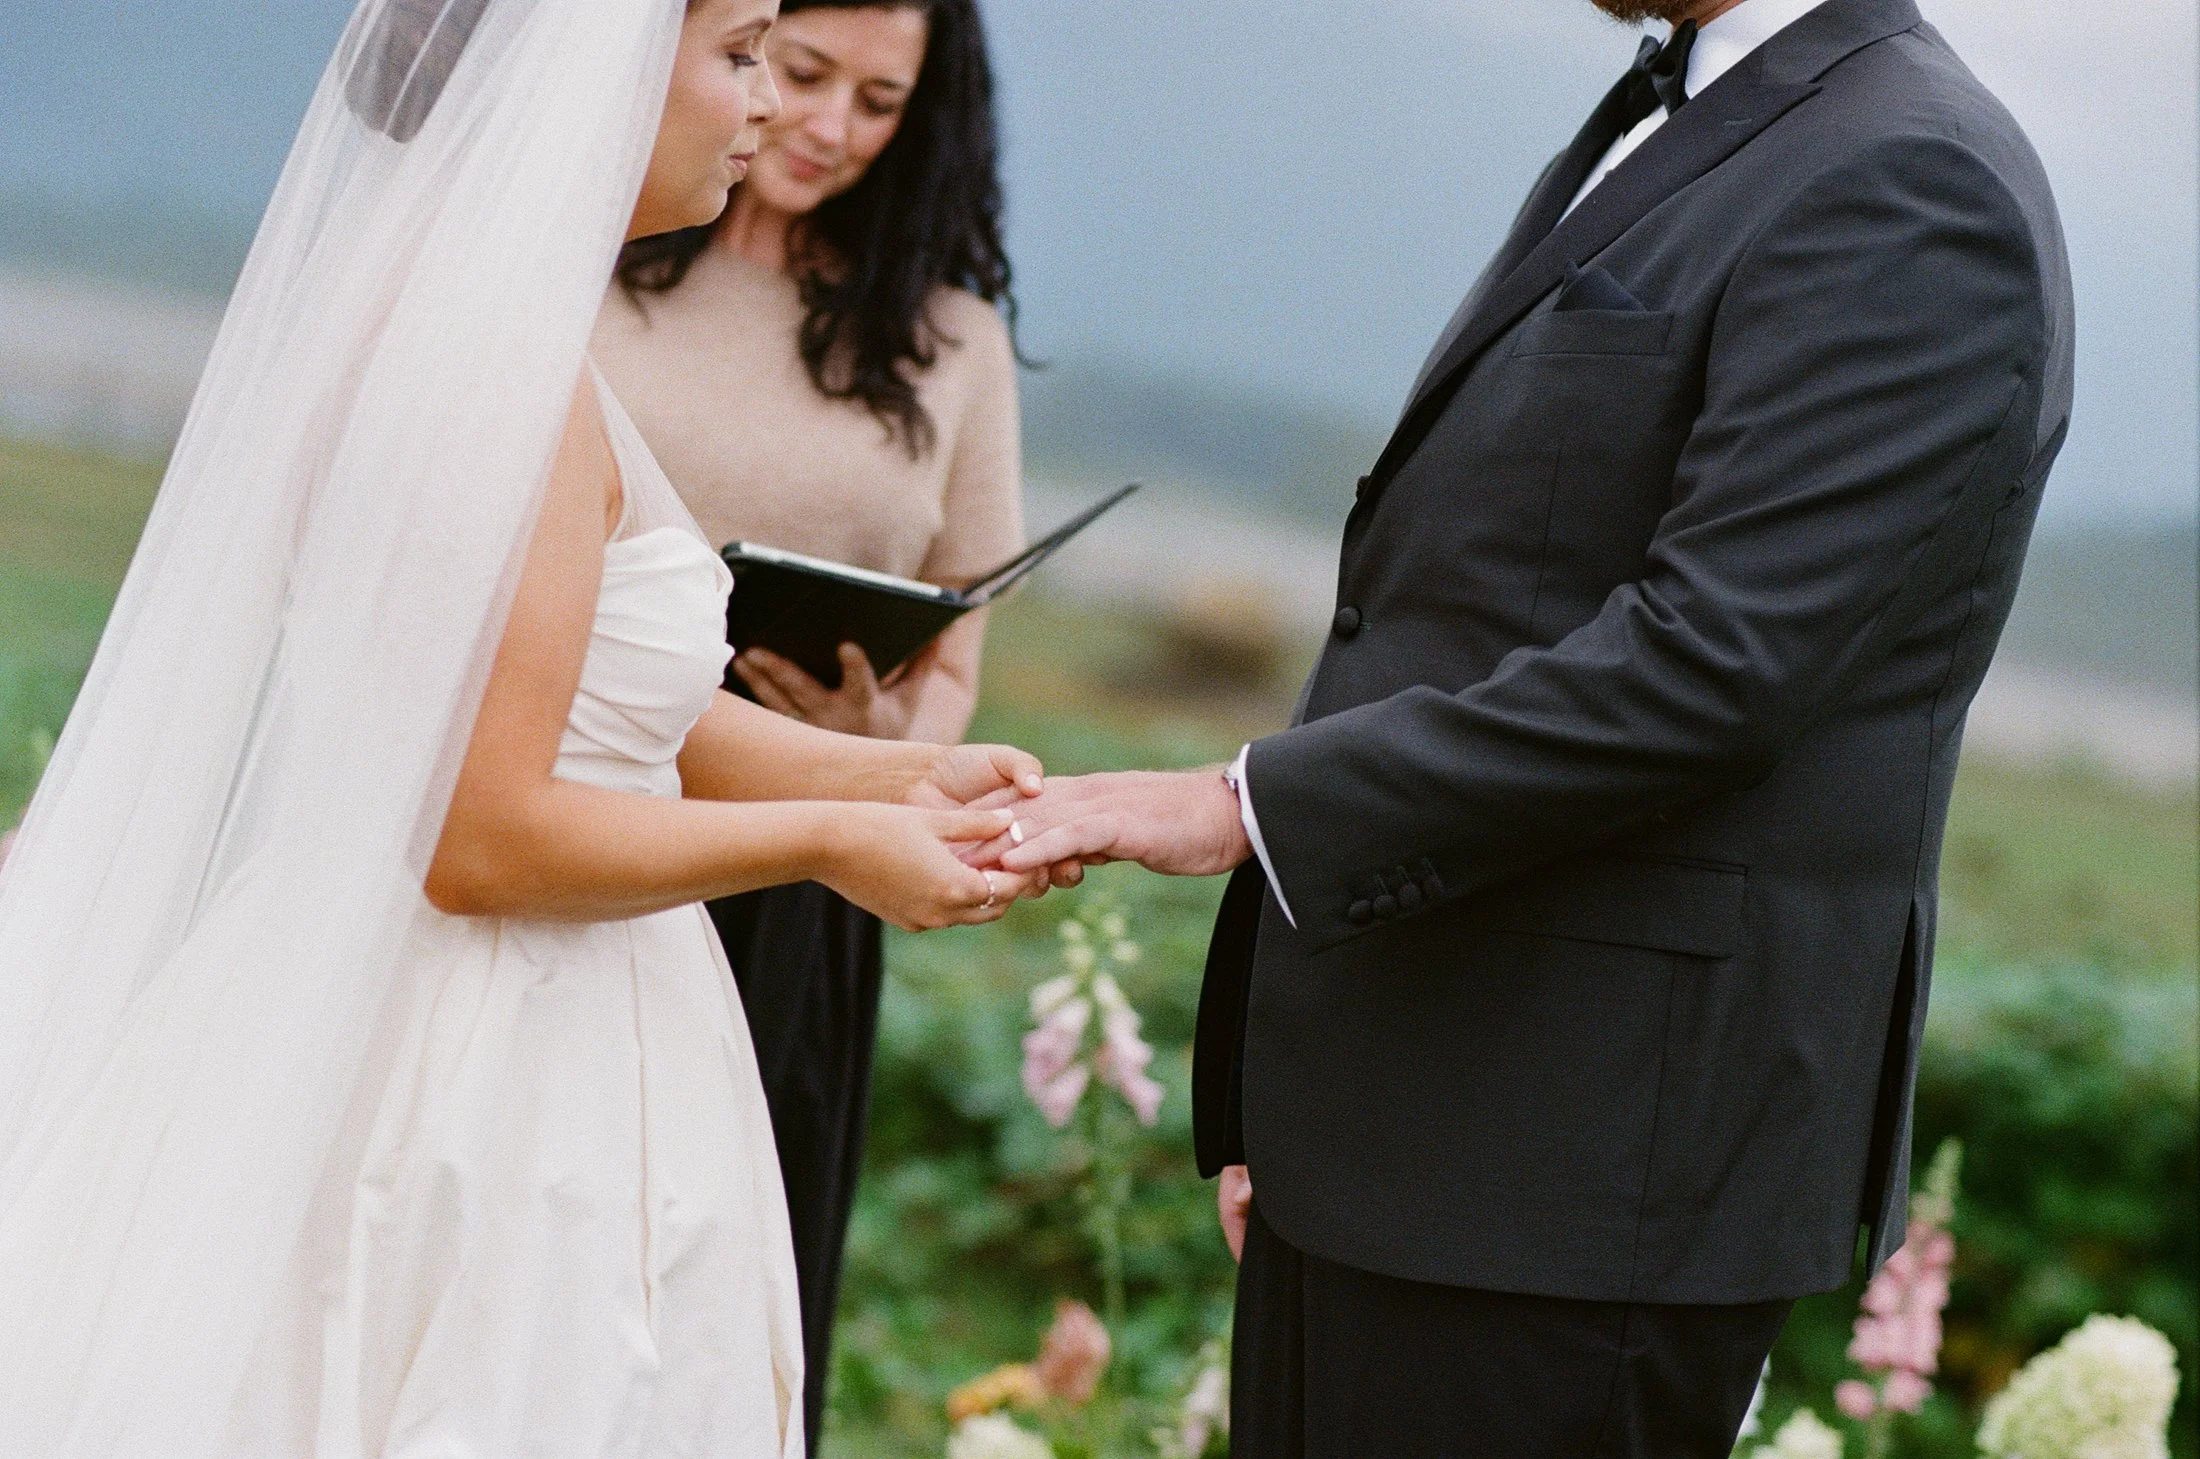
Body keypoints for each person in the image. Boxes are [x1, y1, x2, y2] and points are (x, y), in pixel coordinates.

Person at [989, 0, 2074, 1451]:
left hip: (1578, 1190)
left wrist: (1246, 803)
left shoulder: (1914, 181)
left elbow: (1712, 665)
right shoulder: (1702, 113)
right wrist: (1308, 1107)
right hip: (1406, 1135)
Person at [0, 1, 1051, 1454]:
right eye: (746, 52)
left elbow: (629, 720)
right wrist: (836, 837)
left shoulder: (512, 346)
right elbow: (476, 837)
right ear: (604, 66)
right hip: (478, 1073)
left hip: (491, 1005)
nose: (763, 107)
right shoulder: (491, 379)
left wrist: (915, 775)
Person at [594, 1, 1020, 1441]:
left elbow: (959, 644)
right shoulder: (585, 262)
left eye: (883, 102)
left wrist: (882, 721)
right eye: (803, 70)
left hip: (801, 859)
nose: (831, 128)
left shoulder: (952, 341)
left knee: (724, 1286)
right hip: (578, 800)